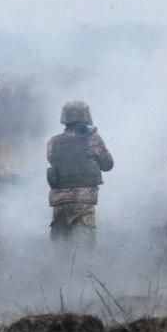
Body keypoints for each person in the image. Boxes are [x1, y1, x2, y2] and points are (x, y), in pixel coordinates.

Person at [47, 100, 113, 246]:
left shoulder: (53, 142)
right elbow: (108, 165)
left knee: (60, 250)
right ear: (86, 116)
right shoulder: (92, 140)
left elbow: (52, 160)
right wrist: (93, 136)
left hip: (60, 202)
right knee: (84, 252)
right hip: (83, 203)